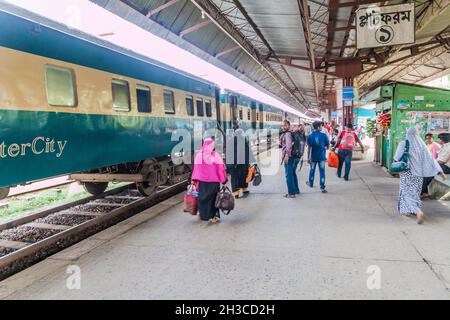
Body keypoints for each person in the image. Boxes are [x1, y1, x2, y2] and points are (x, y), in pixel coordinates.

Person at [394, 127, 446, 224]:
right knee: (414, 193)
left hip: (407, 173)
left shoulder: (404, 143)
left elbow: (397, 157)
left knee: (406, 193)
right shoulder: (422, 146)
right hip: (419, 175)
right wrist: (440, 172)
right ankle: (408, 210)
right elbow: (431, 159)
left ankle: (417, 211)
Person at [192, 138, 227, 224]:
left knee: (202, 198)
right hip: (213, 182)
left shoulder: (199, 155)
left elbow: (196, 169)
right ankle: (213, 217)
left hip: (202, 182)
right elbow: (220, 169)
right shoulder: (215, 155)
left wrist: (194, 180)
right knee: (213, 199)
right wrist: (224, 181)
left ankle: (202, 214)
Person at [228, 126, 255, 199]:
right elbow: (248, 152)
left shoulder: (230, 141)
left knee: (235, 178)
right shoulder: (244, 140)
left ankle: (236, 194)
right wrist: (252, 161)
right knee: (244, 176)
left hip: (234, 164)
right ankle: (244, 189)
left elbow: (229, 153)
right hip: (244, 163)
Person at [306, 121, 330, 193]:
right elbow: (328, 146)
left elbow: (309, 149)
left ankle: (311, 183)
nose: (322, 127)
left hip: (313, 157)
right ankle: (322, 187)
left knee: (312, 170)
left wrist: (308, 158)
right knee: (322, 172)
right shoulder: (324, 135)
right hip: (322, 156)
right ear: (318, 127)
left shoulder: (310, 136)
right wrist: (323, 148)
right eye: (321, 126)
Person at [281, 120, 298, 198]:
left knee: (289, 175)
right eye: (283, 125)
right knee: (293, 173)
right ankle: (296, 190)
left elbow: (288, 146)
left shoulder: (287, 134)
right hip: (292, 156)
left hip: (289, 157)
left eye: (285, 125)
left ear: (288, 125)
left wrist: (287, 155)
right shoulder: (290, 133)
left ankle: (291, 193)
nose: (284, 127)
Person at [291, 124, 306, 193]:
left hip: (294, 156)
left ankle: (295, 190)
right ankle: (296, 189)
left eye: (293, 126)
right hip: (299, 156)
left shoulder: (294, 134)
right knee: (293, 172)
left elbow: (290, 145)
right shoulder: (302, 134)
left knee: (292, 173)